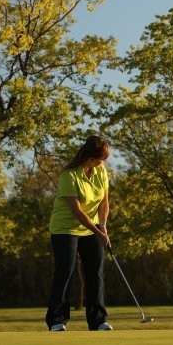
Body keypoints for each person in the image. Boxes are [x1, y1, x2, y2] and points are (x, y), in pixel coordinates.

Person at [45, 135, 113, 332]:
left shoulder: (100, 171)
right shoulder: (69, 176)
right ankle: (57, 320)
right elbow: (77, 212)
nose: (104, 162)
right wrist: (97, 231)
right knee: (65, 272)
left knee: (95, 273)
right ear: (90, 157)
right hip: (65, 228)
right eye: (102, 158)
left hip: (92, 227)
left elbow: (104, 202)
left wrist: (103, 226)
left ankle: (98, 320)